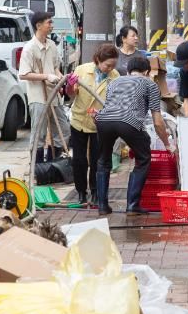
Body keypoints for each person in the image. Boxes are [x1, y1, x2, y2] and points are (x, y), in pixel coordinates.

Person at [95, 57, 175, 216]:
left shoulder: (114, 82)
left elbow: (110, 107)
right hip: (128, 121)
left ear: (128, 71)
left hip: (103, 121)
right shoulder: (150, 84)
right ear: (146, 72)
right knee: (143, 159)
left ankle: (102, 206)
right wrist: (167, 144)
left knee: (103, 161)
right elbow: (157, 121)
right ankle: (132, 205)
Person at [67, 44, 119, 205]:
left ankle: (96, 191)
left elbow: (115, 101)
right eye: (107, 65)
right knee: (79, 159)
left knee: (97, 159)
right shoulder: (81, 70)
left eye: (113, 65)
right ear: (98, 60)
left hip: (100, 124)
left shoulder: (115, 76)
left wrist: (104, 114)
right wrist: (70, 85)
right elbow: (71, 94)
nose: (110, 69)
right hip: (79, 120)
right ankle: (81, 191)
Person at [19, 11, 71, 162]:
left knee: (63, 130)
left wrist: (61, 78)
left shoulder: (52, 45)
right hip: (38, 98)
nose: (52, 25)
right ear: (38, 25)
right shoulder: (29, 48)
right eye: (49, 22)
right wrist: (46, 76)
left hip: (54, 96)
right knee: (39, 135)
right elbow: (23, 74)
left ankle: (54, 165)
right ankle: (38, 169)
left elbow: (55, 67)